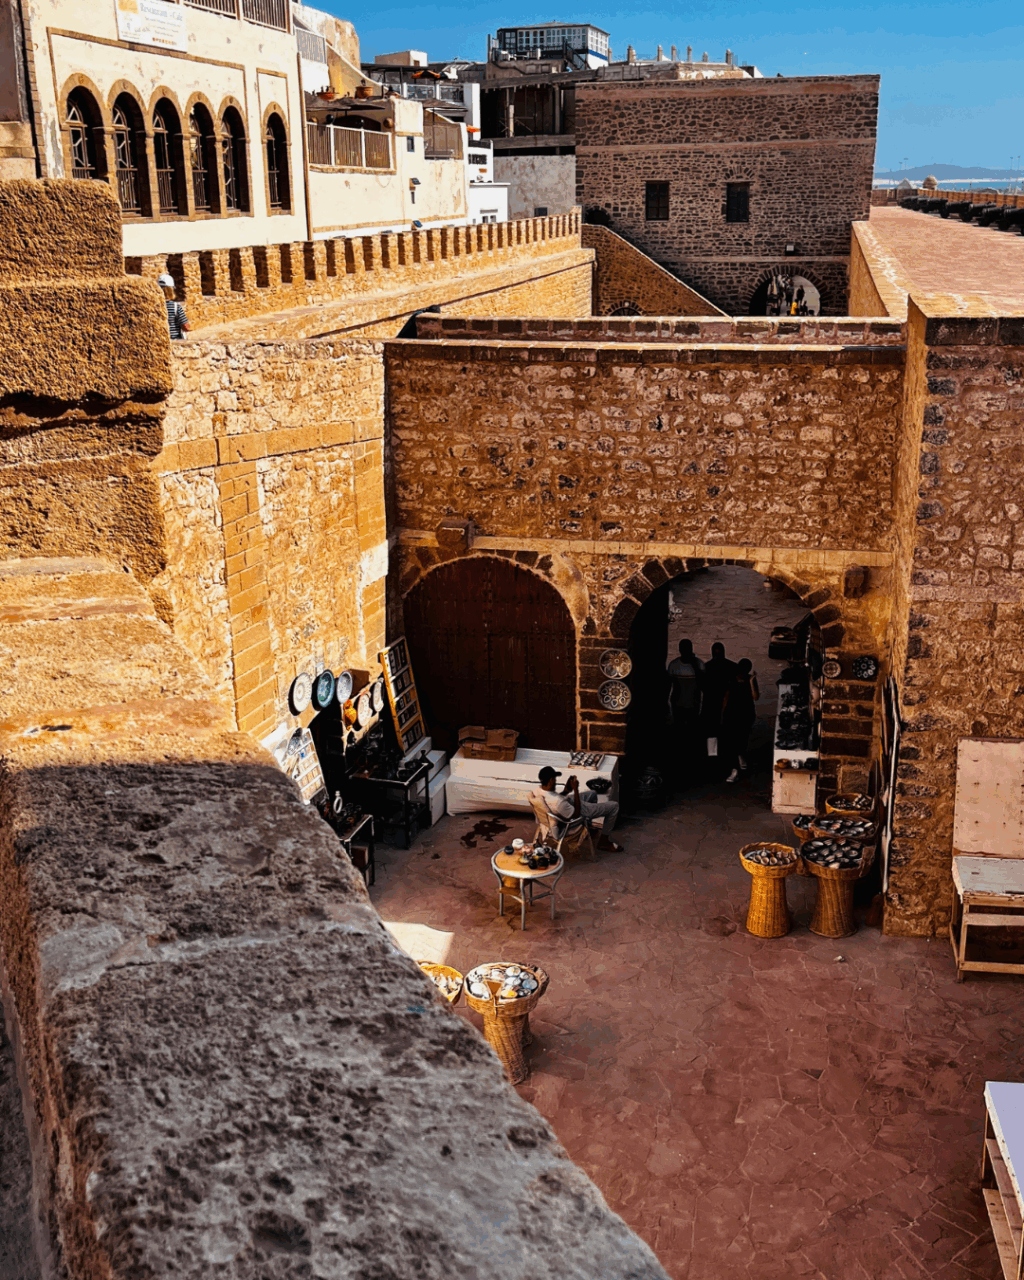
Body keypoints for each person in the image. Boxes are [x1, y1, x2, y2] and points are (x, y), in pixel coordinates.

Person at [532, 765, 622, 852]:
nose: (555, 781)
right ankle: (603, 841)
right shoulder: (558, 801)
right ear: (551, 780)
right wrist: (575, 789)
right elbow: (576, 814)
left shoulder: (537, 791)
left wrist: (566, 791)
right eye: (555, 779)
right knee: (614, 806)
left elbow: (554, 799)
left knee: (593, 793)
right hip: (576, 813)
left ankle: (588, 829)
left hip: (565, 807)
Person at [722, 658, 760, 782]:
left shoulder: (750, 680)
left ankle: (738, 763)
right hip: (734, 715)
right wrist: (722, 714)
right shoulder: (731, 679)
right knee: (734, 742)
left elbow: (756, 696)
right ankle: (736, 767)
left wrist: (752, 682)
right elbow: (726, 697)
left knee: (739, 741)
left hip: (744, 716)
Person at [667, 638, 704, 745]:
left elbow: (703, 683)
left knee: (692, 733)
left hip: (693, 705)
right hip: (678, 705)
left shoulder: (699, 664)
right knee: (679, 732)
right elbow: (669, 685)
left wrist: (695, 666)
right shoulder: (674, 665)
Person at [159, 273, 190, 340]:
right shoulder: (175, 306)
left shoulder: (155, 306)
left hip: (160, 341)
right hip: (174, 340)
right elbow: (186, 327)